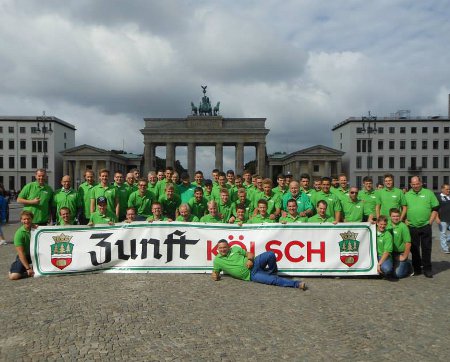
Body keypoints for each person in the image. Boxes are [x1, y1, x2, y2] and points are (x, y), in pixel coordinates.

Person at [211, 239, 306, 290]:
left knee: (270, 254)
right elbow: (215, 273)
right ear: (218, 249)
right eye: (220, 248)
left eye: (224, 247)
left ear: (228, 247)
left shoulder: (235, 248)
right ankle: (297, 284)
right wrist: (214, 276)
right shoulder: (217, 260)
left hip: (255, 263)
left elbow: (250, 254)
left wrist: (250, 260)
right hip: (251, 275)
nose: (223, 249)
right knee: (274, 281)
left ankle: (272, 272)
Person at [404, 176, 439, 278]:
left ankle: (427, 269)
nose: (415, 186)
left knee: (426, 248)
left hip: (425, 225)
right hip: (412, 226)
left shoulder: (429, 193)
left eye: (417, 184)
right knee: (414, 249)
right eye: (413, 184)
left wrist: (430, 221)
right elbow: (403, 208)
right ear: (410, 184)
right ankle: (417, 269)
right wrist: (405, 220)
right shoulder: (407, 195)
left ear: (421, 183)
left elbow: (435, 208)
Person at [9, 211, 35, 280]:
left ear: (32, 219)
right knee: (14, 276)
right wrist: (28, 268)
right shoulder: (19, 233)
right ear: (21, 220)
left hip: (36, 255)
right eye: (24, 219)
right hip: (24, 255)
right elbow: (20, 253)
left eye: (28, 219)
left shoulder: (36, 229)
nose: (26, 221)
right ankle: (16, 267)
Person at [388, 208, 412, 278]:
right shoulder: (386, 224)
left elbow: (408, 243)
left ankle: (408, 264)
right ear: (390, 216)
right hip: (389, 252)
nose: (395, 218)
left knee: (398, 275)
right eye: (393, 216)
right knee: (386, 271)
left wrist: (404, 256)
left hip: (400, 253)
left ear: (400, 216)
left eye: (397, 216)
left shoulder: (403, 227)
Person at [436, 183, 450, 254]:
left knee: (444, 235)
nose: (448, 190)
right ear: (442, 189)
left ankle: (446, 240)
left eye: (449, 189)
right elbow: (435, 208)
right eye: (447, 189)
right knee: (443, 233)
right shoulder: (438, 197)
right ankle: (445, 248)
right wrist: (436, 217)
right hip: (442, 219)